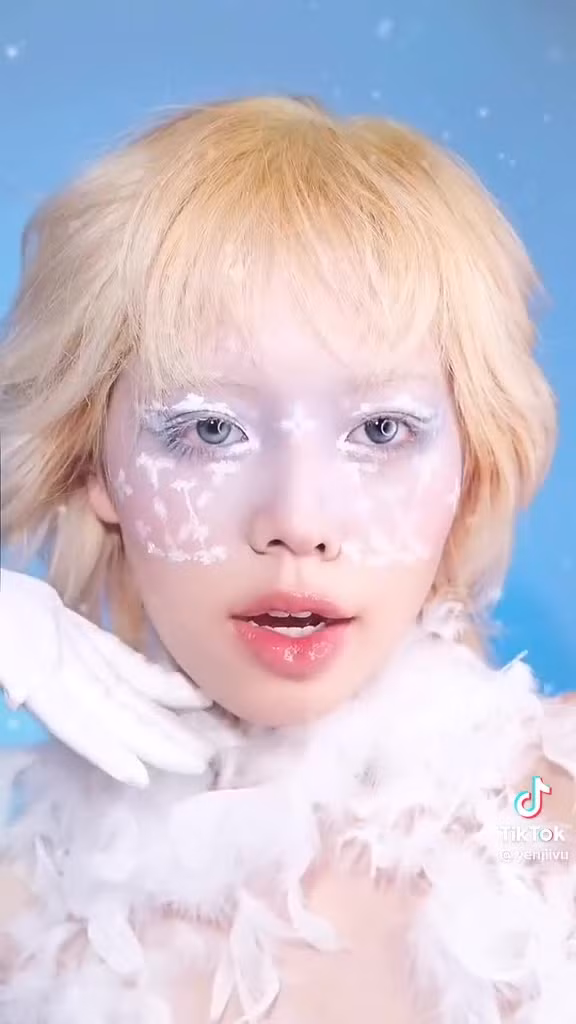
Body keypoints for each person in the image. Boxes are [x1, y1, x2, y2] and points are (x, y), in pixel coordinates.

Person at [0, 95, 574, 1023]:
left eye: (381, 429)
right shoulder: (24, 912)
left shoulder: (553, 805)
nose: (298, 520)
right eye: (209, 429)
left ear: (470, 463)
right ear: (94, 464)